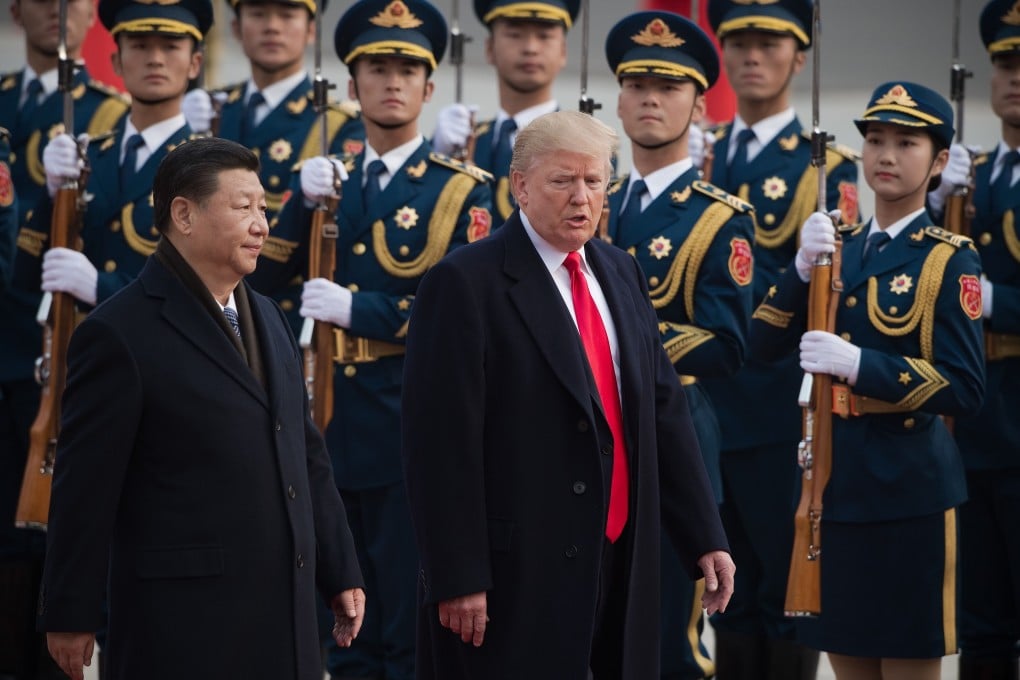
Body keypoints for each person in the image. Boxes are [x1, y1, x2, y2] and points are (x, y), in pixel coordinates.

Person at [401, 109, 734, 679]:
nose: (581, 198)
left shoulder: (619, 269)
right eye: (562, 181)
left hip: (621, 555)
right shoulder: (465, 283)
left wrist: (704, 534)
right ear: (521, 186)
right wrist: (458, 576)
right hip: (516, 566)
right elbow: (440, 445)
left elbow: (662, 410)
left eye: (595, 181)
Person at [38, 136, 366, 680]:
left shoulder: (269, 317)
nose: (262, 224)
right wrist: (69, 612)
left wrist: (339, 567)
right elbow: (84, 486)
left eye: (264, 207)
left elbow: (305, 454)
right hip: (185, 621)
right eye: (244, 207)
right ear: (184, 215)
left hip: (283, 615)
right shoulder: (119, 333)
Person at [263, 1, 493, 677]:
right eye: (375, 69)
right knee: (339, 616)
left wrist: (359, 309)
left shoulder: (463, 193)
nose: (391, 82)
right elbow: (259, 279)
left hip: (409, 419)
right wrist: (296, 204)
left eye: (406, 70)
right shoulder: (328, 186)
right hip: (325, 420)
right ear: (354, 86)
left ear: (428, 89)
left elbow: (467, 315)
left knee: (403, 613)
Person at [750, 81, 985, 680]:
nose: (885, 154)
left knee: (907, 665)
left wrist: (862, 367)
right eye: (875, 140)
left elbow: (964, 386)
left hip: (909, 486)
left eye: (906, 143)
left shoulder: (949, 258)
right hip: (837, 482)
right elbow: (761, 343)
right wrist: (800, 269)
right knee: (847, 660)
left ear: (936, 164)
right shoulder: (840, 250)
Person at [699, 1, 859, 675]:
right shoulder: (697, 155)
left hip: (777, 408)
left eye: (769, 43)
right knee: (720, 592)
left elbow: (824, 289)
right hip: (705, 404)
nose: (751, 57)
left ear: (799, 55)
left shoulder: (828, 167)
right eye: (737, 42)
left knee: (784, 592)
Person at [603, 12, 755, 680]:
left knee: (671, 632)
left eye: (668, 87)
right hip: (589, 424)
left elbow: (726, 342)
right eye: (636, 84)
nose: (649, 99)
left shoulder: (721, 216)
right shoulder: (596, 200)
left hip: (673, 431)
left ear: (698, 105)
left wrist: (620, 339)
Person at [0, 0, 125, 678]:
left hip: (66, 357)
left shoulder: (107, 119)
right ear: (15, 11)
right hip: (5, 344)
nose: (57, 9)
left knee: (62, 535)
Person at [182, 0, 365, 334]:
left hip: (282, 321)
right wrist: (180, 130)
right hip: (200, 313)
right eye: (258, 13)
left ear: (311, 30)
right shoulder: (212, 111)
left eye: (286, 14)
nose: (272, 26)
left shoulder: (339, 124)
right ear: (236, 27)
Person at [950, 3, 1020, 678]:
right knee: (982, 623)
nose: (1015, 77)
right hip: (977, 420)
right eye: (1005, 62)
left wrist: (995, 301)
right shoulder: (975, 175)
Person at [430, 0, 578, 223]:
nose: (530, 48)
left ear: (563, 51)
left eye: (544, 36)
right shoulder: (464, 141)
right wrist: (435, 155)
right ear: (489, 49)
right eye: (515, 34)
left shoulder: (582, 144)